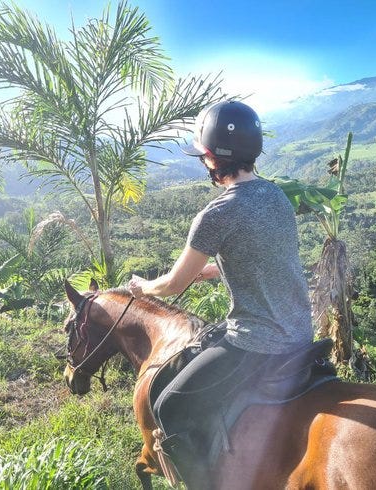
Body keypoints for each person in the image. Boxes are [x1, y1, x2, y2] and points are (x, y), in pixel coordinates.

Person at [127, 100, 312, 489]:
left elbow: (172, 286)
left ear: (211, 159)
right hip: (300, 334)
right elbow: (262, 257)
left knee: (169, 405)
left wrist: (144, 287)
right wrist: (208, 272)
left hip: (257, 343)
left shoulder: (217, 213)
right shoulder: (276, 197)